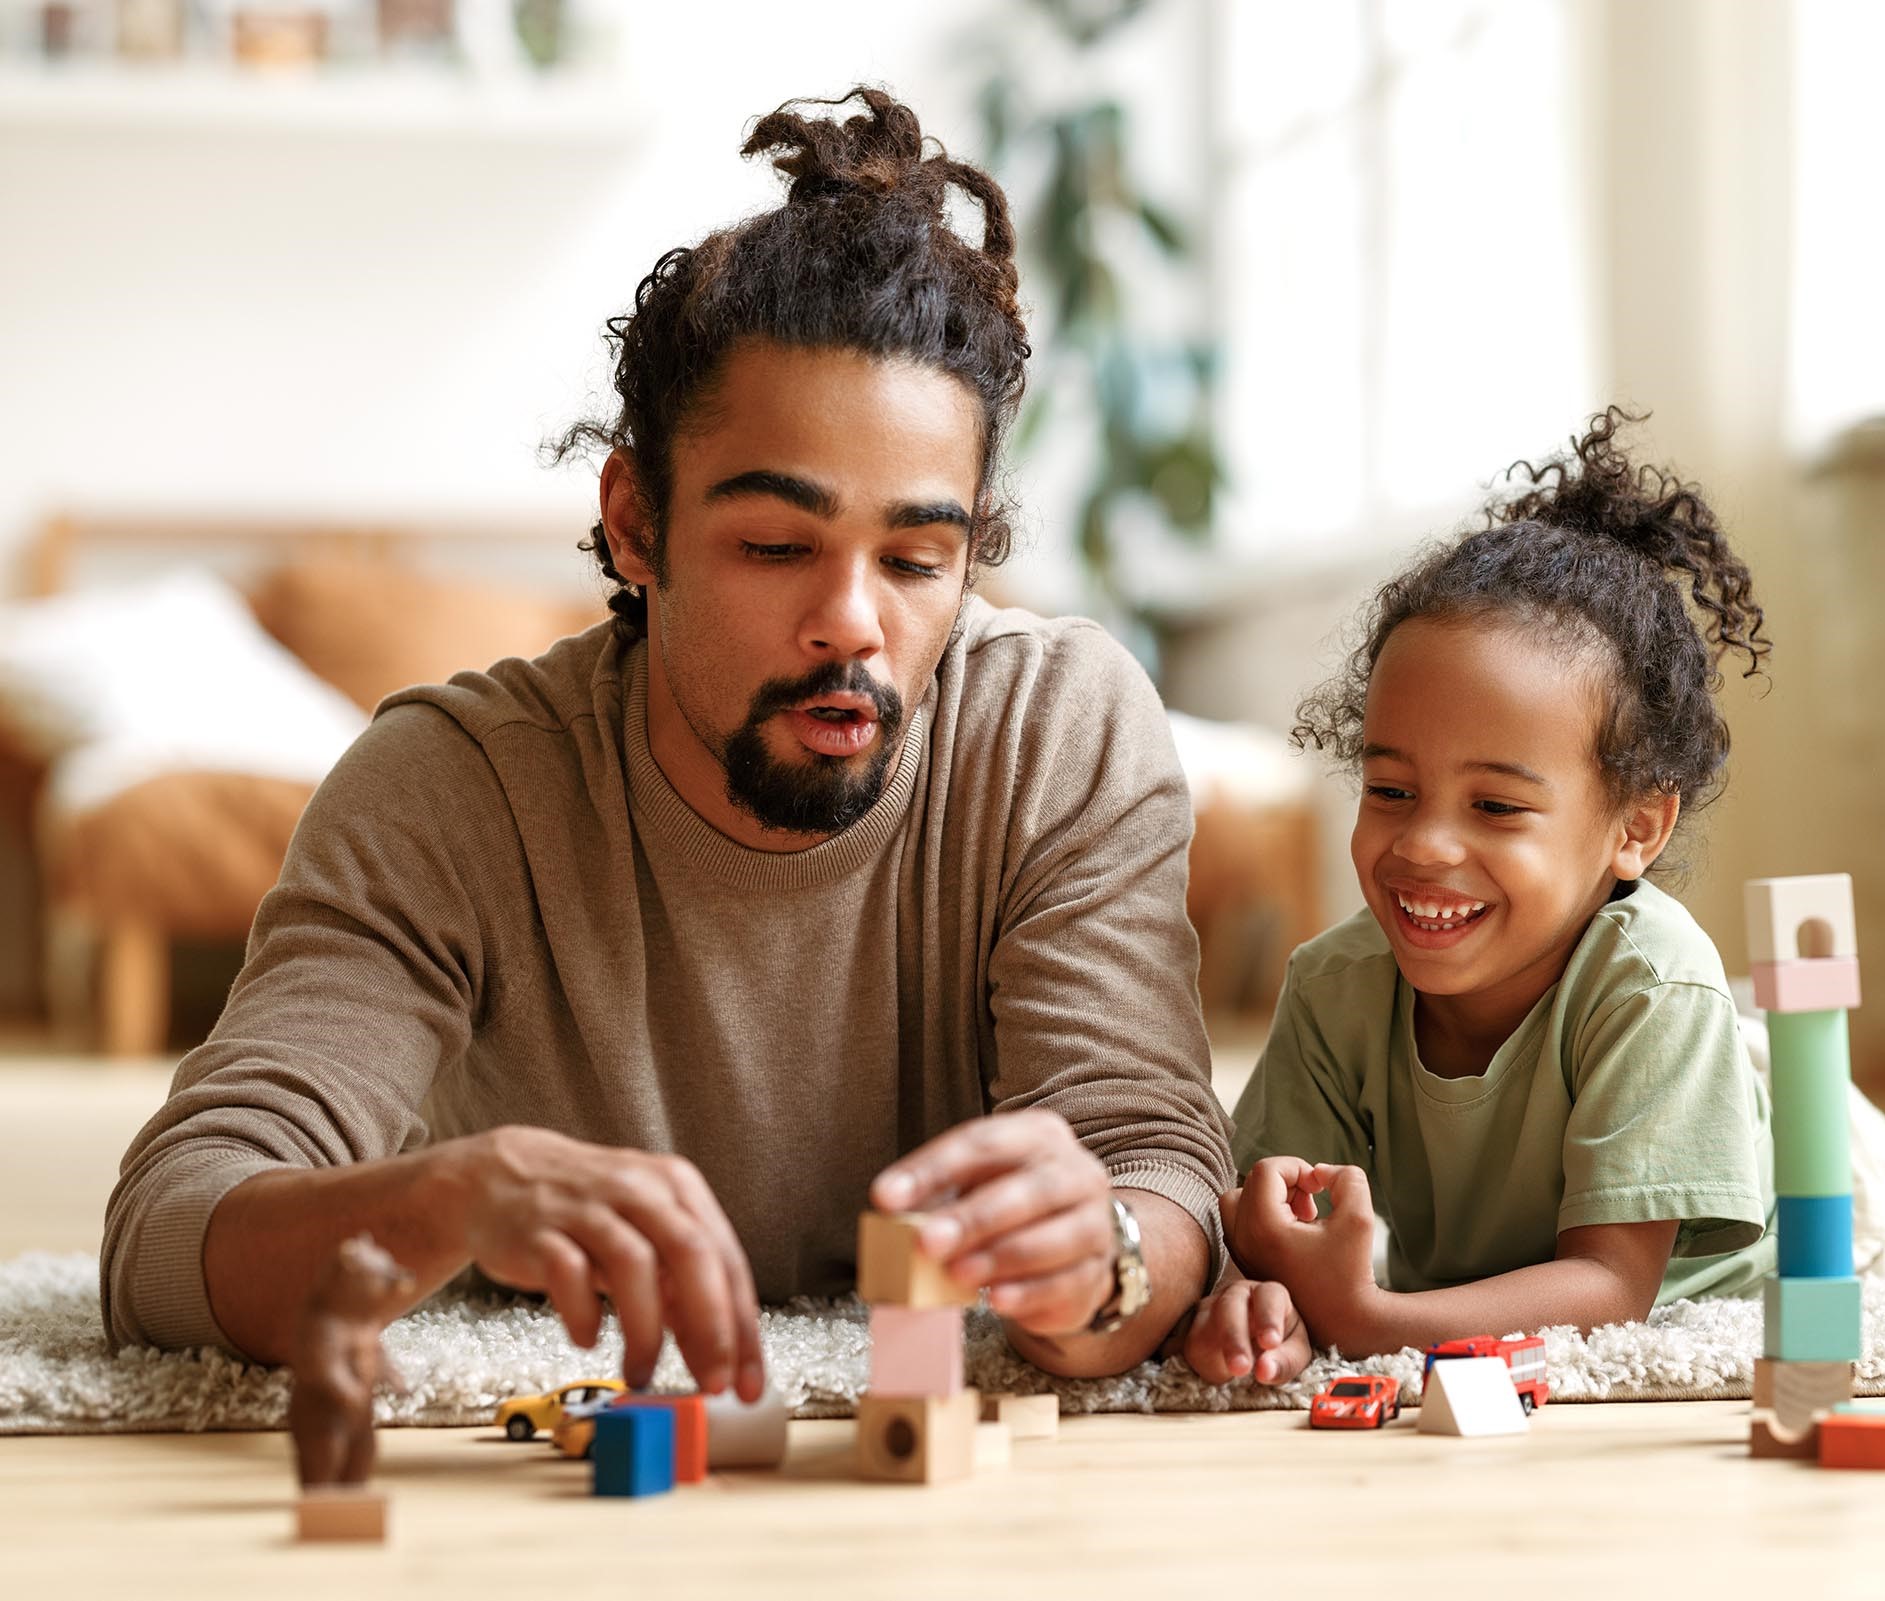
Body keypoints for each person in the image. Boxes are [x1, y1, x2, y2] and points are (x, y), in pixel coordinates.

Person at [103, 88, 1293, 1395]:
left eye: (913, 558)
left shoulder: (1059, 730)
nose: (850, 623)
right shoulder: (453, 787)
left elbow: (1160, 1166)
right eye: (777, 547)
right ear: (635, 522)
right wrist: (450, 1196)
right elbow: (171, 1233)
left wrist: (1106, 1258)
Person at [1186, 409, 1777, 1381]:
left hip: (1818, 1176)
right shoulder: (1333, 988)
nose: (1421, 843)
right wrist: (1258, 1294)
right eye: (1389, 789)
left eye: (1496, 805)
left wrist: (1371, 1316)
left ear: (1635, 827)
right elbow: (1269, 1229)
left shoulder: (1651, 983)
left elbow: (1607, 1288)